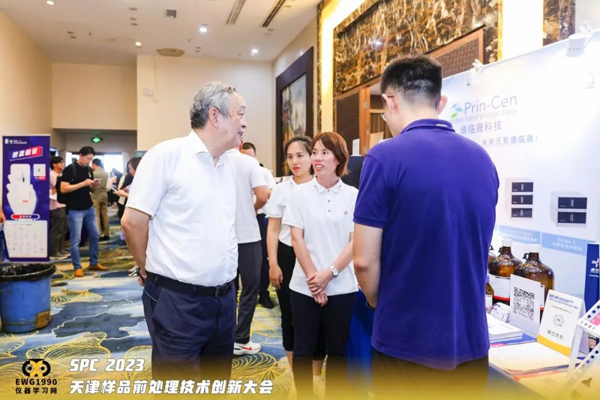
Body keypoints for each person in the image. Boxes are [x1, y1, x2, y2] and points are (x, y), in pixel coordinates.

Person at [353, 55, 499, 398]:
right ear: (440, 102)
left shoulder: (384, 157)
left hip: (405, 339)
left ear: (389, 101)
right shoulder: (483, 158)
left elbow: (363, 260)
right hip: (471, 341)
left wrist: (378, 303)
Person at [122, 82, 246, 381]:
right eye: (240, 113)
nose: (244, 123)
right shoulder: (166, 155)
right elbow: (133, 222)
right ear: (215, 116)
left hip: (225, 299)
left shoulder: (229, 164)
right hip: (178, 301)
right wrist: (145, 266)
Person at [283, 131, 358, 399]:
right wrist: (315, 280)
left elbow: (355, 241)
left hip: (342, 286)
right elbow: (296, 238)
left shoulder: (352, 195)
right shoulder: (299, 194)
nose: (317, 158)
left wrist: (330, 273)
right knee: (303, 349)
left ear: (339, 158)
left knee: (338, 351)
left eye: (324, 153)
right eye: (314, 152)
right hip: (304, 286)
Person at [265, 135, 326, 385]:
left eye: (300, 155)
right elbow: (272, 230)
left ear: (312, 157)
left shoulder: (324, 186)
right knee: (290, 315)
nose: (294, 161)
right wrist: (273, 263)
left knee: (318, 315)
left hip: (317, 256)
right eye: (290, 157)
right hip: (287, 256)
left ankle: (316, 375)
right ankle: (294, 373)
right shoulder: (281, 189)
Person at [225, 145, 268, 356]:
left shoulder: (216, 161)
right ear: (240, 143)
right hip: (248, 235)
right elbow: (263, 196)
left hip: (223, 236)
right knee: (250, 289)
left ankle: (225, 337)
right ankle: (241, 339)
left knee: (226, 289)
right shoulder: (249, 162)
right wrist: (252, 208)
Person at [241, 141, 277, 309]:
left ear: (255, 156)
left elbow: (272, 192)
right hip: (241, 218)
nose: (248, 160)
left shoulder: (263, 172)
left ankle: (263, 292)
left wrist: (255, 206)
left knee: (262, 257)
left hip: (260, 217)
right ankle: (237, 293)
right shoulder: (236, 171)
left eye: (251, 157)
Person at [60, 147, 107, 277]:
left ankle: (93, 262)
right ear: (81, 155)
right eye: (88, 158)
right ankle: (77, 267)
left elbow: (90, 190)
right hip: (75, 209)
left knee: (95, 235)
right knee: (75, 239)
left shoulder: (89, 170)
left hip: (89, 206)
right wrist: (83, 183)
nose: (89, 161)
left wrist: (94, 185)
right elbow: (63, 188)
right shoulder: (70, 169)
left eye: (91, 159)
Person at [49, 156, 69, 260]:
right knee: (57, 230)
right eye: (61, 163)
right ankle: (54, 251)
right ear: (54, 164)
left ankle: (60, 249)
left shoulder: (59, 175)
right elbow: (59, 188)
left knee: (63, 228)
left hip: (62, 203)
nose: (63, 164)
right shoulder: (52, 174)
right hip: (55, 205)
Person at [91, 159, 110, 241]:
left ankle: (99, 234)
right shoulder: (106, 173)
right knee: (105, 215)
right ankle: (106, 233)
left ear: (94, 164)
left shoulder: (93, 173)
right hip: (104, 196)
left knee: (97, 216)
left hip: (95, 196)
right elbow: (108, 186)